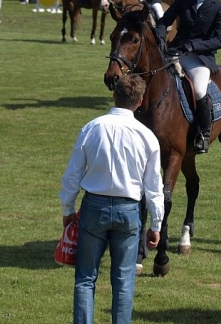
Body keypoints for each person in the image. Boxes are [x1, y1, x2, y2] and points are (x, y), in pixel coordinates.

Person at [60, 74, 164, 324]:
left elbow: (72, 175)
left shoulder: (92, 127)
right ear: (139, 102)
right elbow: (154, 187)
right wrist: (156, 225)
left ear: (114, 94)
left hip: (94, 206)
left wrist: (67, 209)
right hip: (128, 209)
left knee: (85, 278)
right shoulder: (147, 136)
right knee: (123, 280)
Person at [155, 0, 221, 154]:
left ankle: (203, 134)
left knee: (199, 91)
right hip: (175, 51)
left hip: (199, 58)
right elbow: (164, 20)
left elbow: (220, 39)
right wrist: (160, 34)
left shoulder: (218, 7)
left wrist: (194, 45)